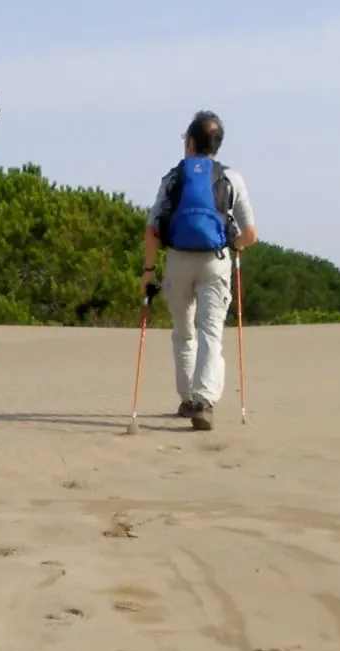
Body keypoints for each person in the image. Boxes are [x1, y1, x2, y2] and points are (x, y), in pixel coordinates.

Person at [139, 110, 258, 431]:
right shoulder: (232, 179)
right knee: (211, 333)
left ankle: (188, 398)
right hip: (215, 260)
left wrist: (148, 271)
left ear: (190, 142)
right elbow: (250, 234)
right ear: (216, 145)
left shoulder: (173, 178)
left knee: (184, 332)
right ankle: (205, 402)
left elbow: (151, 230)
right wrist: (236, 247)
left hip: (177, 260)